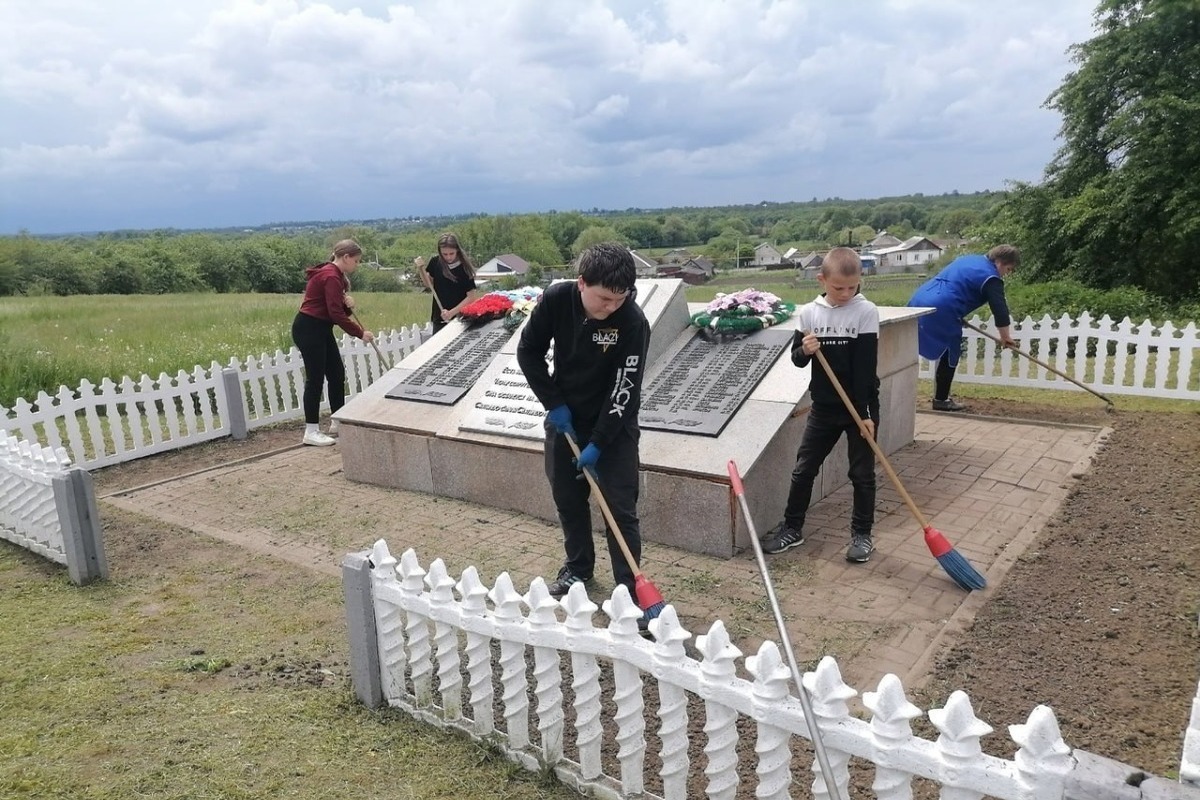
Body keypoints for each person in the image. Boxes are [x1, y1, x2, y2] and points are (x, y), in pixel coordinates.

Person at [516, 242, 651, 612]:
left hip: (614, 425)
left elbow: (625, 388)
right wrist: (554, 405)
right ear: (581, 283)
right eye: (604, 298)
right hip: (566, 421)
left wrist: (600, 442)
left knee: (619, 509)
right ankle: (577, 567)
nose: (611, 307)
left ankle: (628, 588)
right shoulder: (558, 300)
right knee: (568, 500)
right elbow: (527, 351)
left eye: (619, 299)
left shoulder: (632, 322)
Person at [762, 247, 881, 563]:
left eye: (852, 287)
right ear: (822, 279)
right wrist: (805, 349)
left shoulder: (865, 312)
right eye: (838, 287)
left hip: (860, 405)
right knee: (803, 469)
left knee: (862, 474)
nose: (845, 293)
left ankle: (862, 535)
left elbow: (866, 370)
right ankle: (792, 527)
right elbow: (797, 360)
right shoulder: (810, 313)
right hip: (825, 407)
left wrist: (865, 415)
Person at [908, 244, 1020, 411]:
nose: (1006, 274)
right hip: (944, 306)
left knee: (908, 343)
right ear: (999, 263)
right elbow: (1000, 309)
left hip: (920, 298)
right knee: (950, 350)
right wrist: (1005, 337)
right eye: (1009, 269)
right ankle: (941, 400)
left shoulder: (969, 259)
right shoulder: (992, 277)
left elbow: (957, 285)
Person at [291, 239, 375, 447]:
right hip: (309, 329)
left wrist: (348, 305)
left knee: (336, 373)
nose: (357, 265)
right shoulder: (330, 276)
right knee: (315, 379)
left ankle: (337, 420)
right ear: (345, 257)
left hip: (321, 328)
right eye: (356, 261)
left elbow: (335, 309)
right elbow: (335, 313)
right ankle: (311, 431)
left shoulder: (334, 275)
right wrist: (360, 333)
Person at [417, 232, 478, 332]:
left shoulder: (464, 267)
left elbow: (471, 297)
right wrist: (420, 269)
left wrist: (451, 312)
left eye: (451, 253)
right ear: (440, 252)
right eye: (445, 254)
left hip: (461, 319)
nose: (448, 257)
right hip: (439, 318)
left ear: (457, 250)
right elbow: (428, 284)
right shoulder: (435, 262)